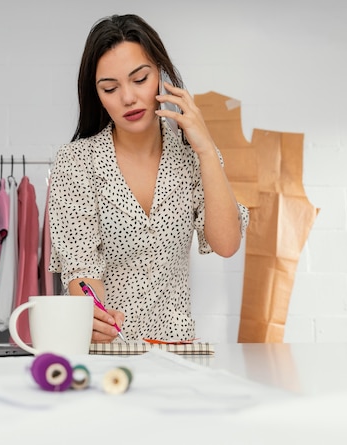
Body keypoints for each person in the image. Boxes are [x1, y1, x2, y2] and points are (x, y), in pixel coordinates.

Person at [48, 14, 249, 343]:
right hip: (106, 354)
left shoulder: (194, 159)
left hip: (177, 352)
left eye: (139, 79)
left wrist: (207, 151)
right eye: (110, 88)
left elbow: (226, 244)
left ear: (160, 75)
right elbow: (81, 267)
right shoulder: (76, 163)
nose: (127, 97)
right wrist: (93, 314)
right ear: (97, 94)